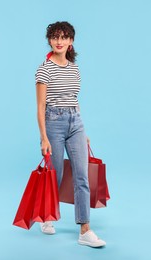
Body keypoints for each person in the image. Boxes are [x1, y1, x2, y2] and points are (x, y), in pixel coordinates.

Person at [35, 21, 106, 248]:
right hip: (53, 122)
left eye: (64, 37)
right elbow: (40, 105)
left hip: (76, 122)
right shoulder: (44, 69)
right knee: (54, 176)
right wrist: (44, 137)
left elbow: (75, 100)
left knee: (82, 177)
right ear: (49, 40)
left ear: (71, 42)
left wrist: (82, 130)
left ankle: (85, 229)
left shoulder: (74, 68)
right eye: (55, 37)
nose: (59, 41)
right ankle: (46, 216)